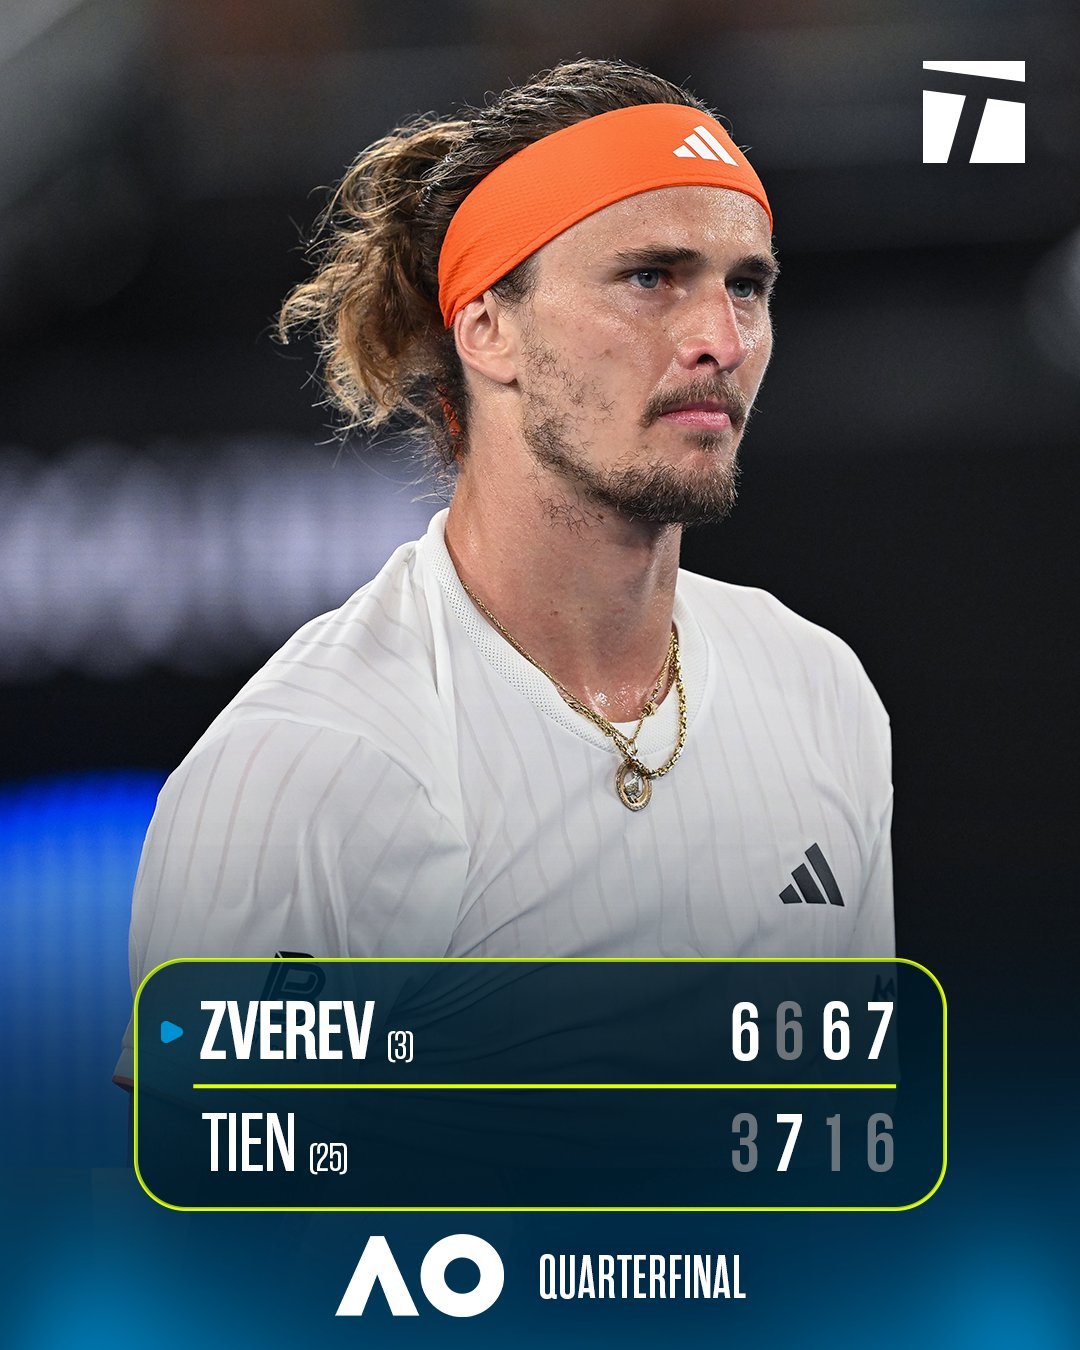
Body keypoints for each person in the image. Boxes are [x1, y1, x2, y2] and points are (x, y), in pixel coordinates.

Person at [114, 58, 892, 1087]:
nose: (722, 340)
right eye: (650, 278)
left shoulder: (823, 691)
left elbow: (837, 1135)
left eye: (746, 286)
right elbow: (212, 1180)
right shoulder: (304, 765)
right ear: (489, 329)